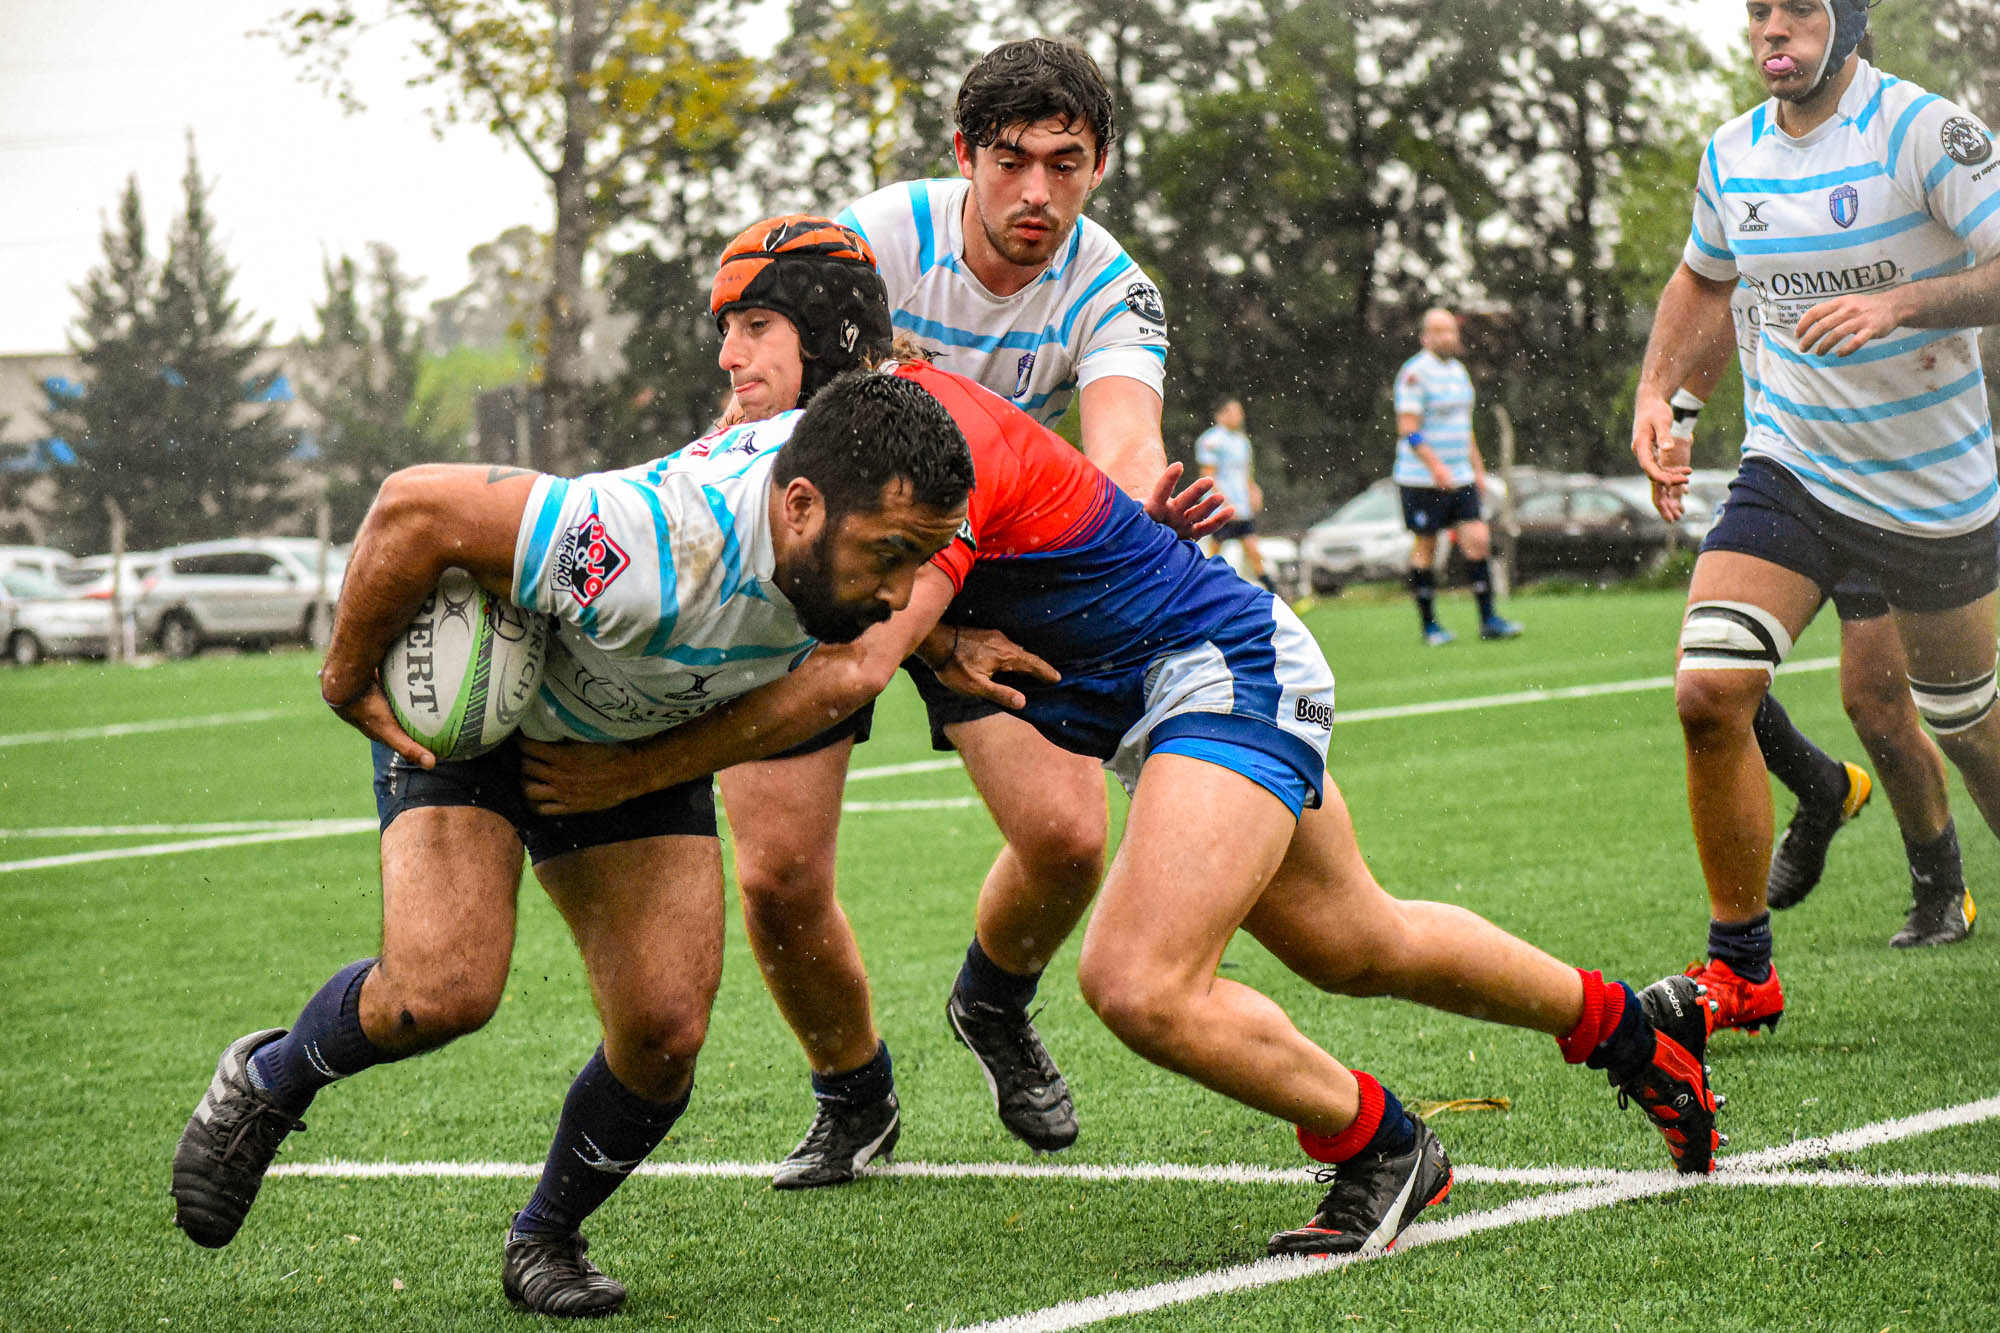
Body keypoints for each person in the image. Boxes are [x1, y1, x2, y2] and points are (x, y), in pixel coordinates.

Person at [522, 214, 1727, 1263]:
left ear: (830, 335)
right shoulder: (826, 439)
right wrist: (942, 644)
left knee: (1136, 980)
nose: (726, 354)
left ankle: (1381, 1144)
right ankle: (1629, 1032)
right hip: (1184, 688)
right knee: (1357, 941)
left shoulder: (910, 433)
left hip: (1218, 671)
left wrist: (633, 769)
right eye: (723, 328)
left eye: (752, 326)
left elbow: (848, 664)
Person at [167, 372, 978, 1317]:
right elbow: (413, 507)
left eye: (922, 560)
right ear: (799, 506)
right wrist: (346, 676)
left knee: (663, 1031)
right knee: (441, 992)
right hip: (478, 723)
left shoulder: (877, 498)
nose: (902, 592)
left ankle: (546, 1234)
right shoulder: (647, 546)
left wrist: (640, 771)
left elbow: (841, 673)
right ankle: (268, 1081)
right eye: (888, 556)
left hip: (634, 742)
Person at [693, 38, 1220, 1185]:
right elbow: (771, 429)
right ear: (963, 155)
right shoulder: (873, 245)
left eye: (1065, 165)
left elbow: (1124, 441)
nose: (1036, 192)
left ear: (1098, 167)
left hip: (987, 564)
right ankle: (852, 1094)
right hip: (819, 553)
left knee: (1067, 839)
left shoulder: (1112, 285)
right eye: (1010, 160)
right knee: (778, 877)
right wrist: (928, 637)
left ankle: (991, 1001)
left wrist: (1139, 514)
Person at [1631, 0, 1998, 1033]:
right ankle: (1740, 969)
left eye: (1796, 8)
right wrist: (1659, 397)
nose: (1772, 31)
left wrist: (1902, 303)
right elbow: (1703, 280)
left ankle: (1934, 867)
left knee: (1965, 728)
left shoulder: (1923, 131)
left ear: (1845, 21)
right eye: (1758, 10)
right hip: (1792, 468)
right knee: (1709, 690)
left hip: (1928, 489)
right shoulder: (1732, 155)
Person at [1655, 273, 1972, 960]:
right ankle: (1822, 786)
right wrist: (1678, 416)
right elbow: (1712, 306)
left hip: (1880, 480)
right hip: (1783, 479)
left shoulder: (1853, 225)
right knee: (1708, 676)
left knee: (1879, 708)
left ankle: (1941, 886)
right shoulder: (1734, 223)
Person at [1393, 307, 1521, 645]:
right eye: (1439, 331)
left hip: (1460, 477)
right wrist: (1435, 466)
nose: (1447, 337)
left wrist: (1476, 469)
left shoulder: (1459, 373)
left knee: (1478, 540)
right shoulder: (1414, 374)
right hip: (1421, 480)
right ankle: (1430, 626)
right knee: (1427, 546)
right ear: (1425, 337)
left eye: (1451, 330)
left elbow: (1465, 427)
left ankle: (1489, 620)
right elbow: (1408, 429)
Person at [1197, 398, 1276, 591]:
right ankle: (1202, 587)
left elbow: (1247, 474)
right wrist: (1223, 501)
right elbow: (1208, 476)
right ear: (1221, 415)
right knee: (1215, 550)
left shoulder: (1242, 441)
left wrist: (1254, 491)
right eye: (1234, 412)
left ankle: (1272, 589)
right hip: (1220, 508)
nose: (1239, 416)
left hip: (1241, 508)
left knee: (1253, 548)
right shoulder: (1211, 440)